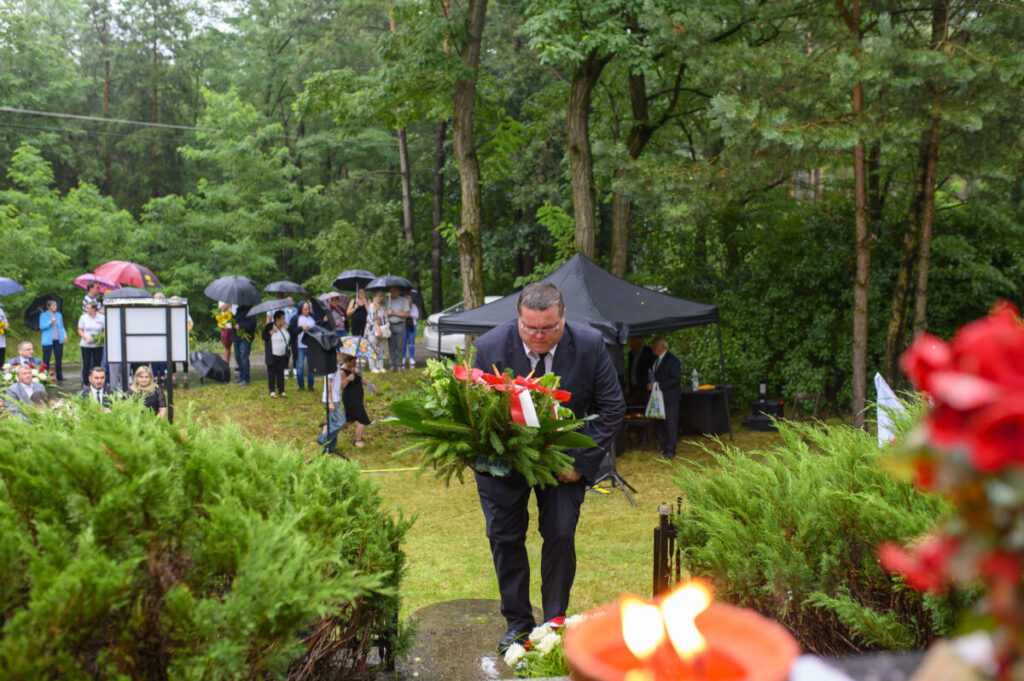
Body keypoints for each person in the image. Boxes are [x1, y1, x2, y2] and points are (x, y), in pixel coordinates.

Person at [472, 281, 625, 653]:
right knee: (505, 537)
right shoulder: (489, 347)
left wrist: (580, 463)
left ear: (563, 318)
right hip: (505, 463)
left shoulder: (589, 345)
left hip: (564, 463)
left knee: (559, 533)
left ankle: (553, 624)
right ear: (518, 319)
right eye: (530, 328)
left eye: (548, 328)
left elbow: (612, 408)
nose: (539, 336)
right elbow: (474, 414)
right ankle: (518, 624)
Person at [646, 336, 681, 459]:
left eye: (655, 345)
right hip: (658, 398)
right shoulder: (655, 360)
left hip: (670, 398)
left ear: (663, 347)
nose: (653, 348)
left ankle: (671, 450)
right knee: (659, 422)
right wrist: (651, 385)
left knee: (670, 423)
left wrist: (658, 385)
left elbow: (676, 379)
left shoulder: (672, 360)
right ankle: (663, 446)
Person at [339, 352, 372, 447]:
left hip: (358, 397)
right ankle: (357, 441)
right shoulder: (342, 371)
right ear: (347, 361)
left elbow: (361, 379)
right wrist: (348, 379)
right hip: (350, 399)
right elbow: (341, 386)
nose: (355, 363)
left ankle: (332, 426)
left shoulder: (354, 369)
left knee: (350, 420)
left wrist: (370, 385)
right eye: (353, 362)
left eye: (356, 361)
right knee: (363, 419)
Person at [319, 350, 347, 455]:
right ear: (335, 355)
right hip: (332, 400)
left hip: (335, 399)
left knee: (333, 422)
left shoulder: (337, 366)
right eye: (340, 354)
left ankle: (330, 446)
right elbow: (329, 384)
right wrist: (331, 401)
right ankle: (323, 438)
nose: (342, 355)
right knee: (341, 421)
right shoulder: (331, 367)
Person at [262, 309, 290, 397]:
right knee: (272, 372)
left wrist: (287, 327)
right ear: (277, 319)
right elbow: (264, 337)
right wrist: (271, 332)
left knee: (280, 372)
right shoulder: (270, 326)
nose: (283, 320)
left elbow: (291, 335)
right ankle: (272, 390)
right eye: (282, 318)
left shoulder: (285, 327)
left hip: (282, 354)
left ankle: (281, 390)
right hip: (273, 353)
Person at [39, 299, 67, 381]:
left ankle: (59, 376)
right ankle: (45, 376)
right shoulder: (43, 315)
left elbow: (61, 326)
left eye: (56, 305)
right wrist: (50, 322)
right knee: (46, 359)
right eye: (53, 305)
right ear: (48, 306)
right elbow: (42, 327)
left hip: (58, 339)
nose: (55, 307)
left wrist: (64, 334)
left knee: (58, 358)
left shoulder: (58, 315)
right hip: (48, 340)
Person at [291, 301, 316, 391]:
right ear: (300, 309)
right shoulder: (295, 318)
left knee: (311, 367)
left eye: (308, 308)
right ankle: (301, 385)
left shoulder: (312, 317)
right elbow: (292, 331)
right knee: (300, 367)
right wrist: (301, 328)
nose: (307, 310)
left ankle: (311, 385)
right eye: (305, 309)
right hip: (299, 346)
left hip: (311, 345)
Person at [78, 302, 105, 386]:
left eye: (88, 308)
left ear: (94, 309)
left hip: (97, 345)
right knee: (86, 363)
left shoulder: (101, 318)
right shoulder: (83, 318)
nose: (86, 309)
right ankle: (85, 382)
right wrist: (86, 338)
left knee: (97, 363)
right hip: (86, 344)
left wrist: (101, 338)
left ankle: (97, 382)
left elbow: (103, 330)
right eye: (86, 308)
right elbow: (80, 330)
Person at [386, 286, 411, 371]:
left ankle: (399, 365)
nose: (393, 293)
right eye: (391, 291)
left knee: (400, 346)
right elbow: (382, 312)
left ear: (398, 291)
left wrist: (394, 313)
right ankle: (392, 364)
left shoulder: (403, 300)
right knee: (391, 346)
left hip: (400, 324)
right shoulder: (387, 300)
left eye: (395, 291)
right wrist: (387, 313)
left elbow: (406, 314)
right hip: (390, 324)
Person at [625, 337, 655, 406]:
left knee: (643, 405)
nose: (630, 345)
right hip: (633, 386)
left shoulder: (649, 352)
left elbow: (653, 370)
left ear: (639, 343)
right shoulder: (631, 353)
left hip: (644, 386)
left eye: (632, 343)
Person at [232, 303, 256, 387]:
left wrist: (241, 326)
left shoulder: (250, 310)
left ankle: (246, 379)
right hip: (237, 337)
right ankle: (242, 376)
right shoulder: (238, 310)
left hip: (246, 337)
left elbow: (252, 323)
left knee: (244, 356)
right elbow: (235, 321)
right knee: (237, 356)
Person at [365, 291, 388, 374]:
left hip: (383, 329)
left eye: (381, 296)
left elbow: (386, 319)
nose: (379, 298)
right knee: (372, 348)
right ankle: (372, 367)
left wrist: (385, 315)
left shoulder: (383, 306)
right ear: (374, 297)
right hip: (373, 331)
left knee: (381, 349)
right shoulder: (372, 306)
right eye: (378, 296)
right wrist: (378, 331)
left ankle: (380, 366)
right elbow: (372, 320)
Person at [216, 301, 234, 373]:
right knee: (227, 346)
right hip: (227, 324)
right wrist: (230, 301)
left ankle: (238, 367)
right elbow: (222, 309)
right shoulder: (224, 296)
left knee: (238, 346)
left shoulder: (238, 293)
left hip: (237, 323)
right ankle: (226, 367)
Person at [404, 293, 419, 368]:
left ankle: (411, 357)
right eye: (406, 298)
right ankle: (403, 357)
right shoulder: (403, 306)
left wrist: (409, 313)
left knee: (411, 342)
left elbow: (416, 315)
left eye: (409, 298)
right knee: (403, 342)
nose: (408, 300)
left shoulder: (414, 306)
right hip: (404, 325)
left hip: (412, 326)